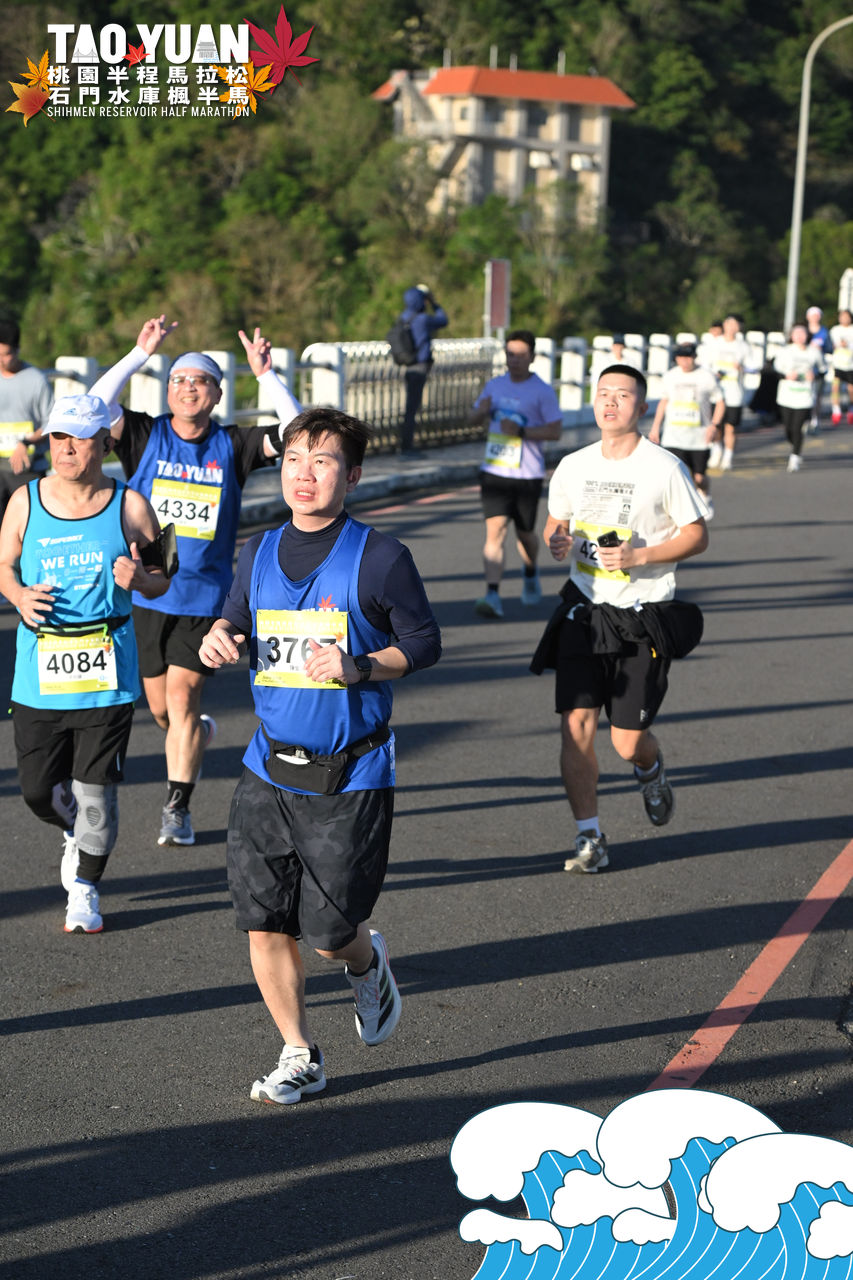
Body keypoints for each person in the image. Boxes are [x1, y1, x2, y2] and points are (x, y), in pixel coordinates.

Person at [198, 406, 441, 1105]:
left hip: (351, 772)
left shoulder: (381, 558)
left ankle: (364, 963)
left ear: (352, 475)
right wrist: (220, 638)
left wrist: (358, 666)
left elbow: (424, 643)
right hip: (267, 766)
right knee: (263, 920)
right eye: (294, 459)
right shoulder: (258, 550)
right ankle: (299, 1052)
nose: (304, 474)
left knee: (330, 933)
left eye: (323, 461)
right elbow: (236, 620)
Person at [88, 315, 302, 848]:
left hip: (206, 599)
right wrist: (139, 354)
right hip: (147, 592)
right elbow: (93, 406)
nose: (189, 388)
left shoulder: (233, 444)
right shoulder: (145, 435)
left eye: (201, 380)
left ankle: (176, 809)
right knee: (162, 709)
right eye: (179, 379)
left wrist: (266, 375)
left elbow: (300, 432)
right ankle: (197, 735)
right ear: (168, 390)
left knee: (182, 699)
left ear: (217, 394)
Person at [0, 394, 169, 932]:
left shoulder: (132, 506)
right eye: (58, 436)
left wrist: (141, 581)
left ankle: (86, 888)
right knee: (37, 791)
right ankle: (72, 831)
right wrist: (18, 595)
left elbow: (164, 575)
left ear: (104, 443)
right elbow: (4, 564)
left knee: (95, 791)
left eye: (79, 437)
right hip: (39, 671)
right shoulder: (25, 500)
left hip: (107, 671)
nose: (67, 448)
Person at [533, 364, 709, 873]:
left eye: (623, 395)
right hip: (584, 611)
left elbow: (697, 535)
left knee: (626, 740)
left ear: (643, 407)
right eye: (603, 393)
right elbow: (556, 524)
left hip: (641, 615)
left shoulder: (664, 468)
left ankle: (650, 770)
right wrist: (556, 541)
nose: (610, 402)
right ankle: (589, 837)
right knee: (576, 726)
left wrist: (640, 556)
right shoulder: (573, 465)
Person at [469, 329, 562, 618]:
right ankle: (492, 595)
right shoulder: (494, 386)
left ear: (532, 357)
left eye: (521, 355)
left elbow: (555, 431)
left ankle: (530, 570)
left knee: (525, 534)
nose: (515, 360)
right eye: (510, 354)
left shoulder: (542, 391)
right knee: (495, 530)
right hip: (494, 471)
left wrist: (522, 432)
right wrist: (481, 412)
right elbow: (472, 418)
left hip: (527, 475)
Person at [648, 342, 724, 516]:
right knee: (676, 476)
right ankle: (678, 512)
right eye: (681, 358)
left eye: (688, 357)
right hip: (674, 436)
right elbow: (664, 401)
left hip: (699, 437)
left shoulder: (706, 376)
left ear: (694, 357)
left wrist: (714, 425)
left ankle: (705, 495)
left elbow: (720, 402)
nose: (684, 361)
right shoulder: (670, 376)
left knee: (699, 477)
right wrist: (655, 427)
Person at [0, 318, 54, 524]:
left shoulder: (36, 380)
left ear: (18, 350)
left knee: (30, 526)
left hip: (27, 470)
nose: (1, 360)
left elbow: (51, 422)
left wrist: (26, 442)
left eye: (6, 354)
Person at [397, 285, 448, 457]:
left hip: (408, 365)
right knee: (412, 408)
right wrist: (434, 303)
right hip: (420, 367)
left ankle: (406, 444)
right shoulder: (423, 319)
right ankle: (407, 447)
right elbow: (443, 320)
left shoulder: (404, 317)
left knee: (410, 407)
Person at [703, 314, 753, 470]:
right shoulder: (714, 343)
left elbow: (753, 367)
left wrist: (742, 368)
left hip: (734, 393)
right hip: (716, 392)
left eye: (735, 325)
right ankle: (717, 450)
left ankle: (728, 456)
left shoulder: (743, 346)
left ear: (739, 327)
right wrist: (713, 373)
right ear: (724, 325)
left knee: (731, 427)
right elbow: (704, 364)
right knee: (715, 424)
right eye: (729, 324)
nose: (731, 327)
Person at [774, 324, 823, 472]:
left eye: (803, 333)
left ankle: (795, 457)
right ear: (791, 336)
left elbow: (823, 370)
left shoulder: (814, 352)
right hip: (786, 396)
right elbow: (776, 370)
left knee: (797, 428)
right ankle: (795, 445)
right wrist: (786, 376)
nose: (800, 336)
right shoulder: (785, 351)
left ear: (808, 335)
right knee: (788, 428)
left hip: (805, 396)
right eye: (796, 333)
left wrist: (814, 375)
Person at [805, 306, 832, 430]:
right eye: (812, 315)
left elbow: (830, 348)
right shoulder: (803, 331)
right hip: (805, 369)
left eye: (817, 315)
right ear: (808, 317)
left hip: (819, 369)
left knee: (817, 395)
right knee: (806, 394)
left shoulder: (824, 332)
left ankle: (815, 419)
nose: (815, 318)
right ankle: (805, 418)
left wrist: (822, 348)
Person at [829, 309, 853, 425]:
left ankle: (851, 409)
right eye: (842, 316)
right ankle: (836, 410)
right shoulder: (835, 330)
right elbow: (831, 345)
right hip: (837, 364)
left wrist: (848, 345)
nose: (844, 319)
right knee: (835, 387)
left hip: (850, 365)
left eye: (846, 317)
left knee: (851, 389)